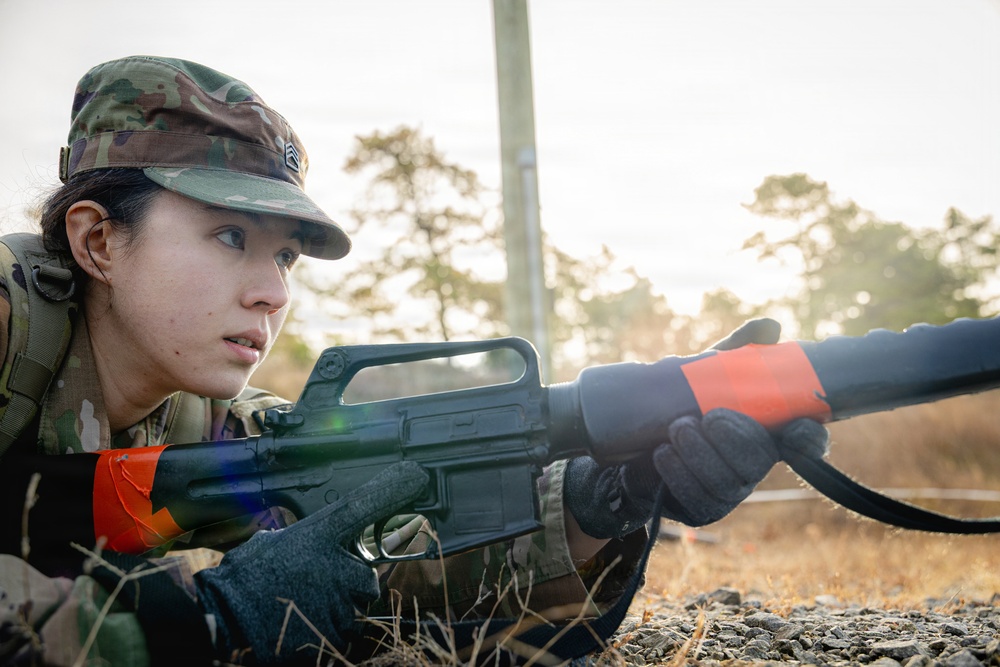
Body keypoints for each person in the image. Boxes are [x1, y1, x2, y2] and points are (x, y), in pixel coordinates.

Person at [0, 56, 829, 666]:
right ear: (98, 239)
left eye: (286, 257)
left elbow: (395, 572)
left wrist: (606, 494)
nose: (270, 292)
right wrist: (203, 623)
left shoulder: (212, 428)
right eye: (229, 237)